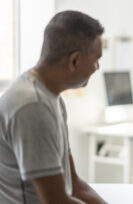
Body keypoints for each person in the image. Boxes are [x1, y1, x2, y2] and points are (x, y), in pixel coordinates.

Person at [0, 10, 107, 204]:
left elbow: (73, 185)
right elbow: (56, 201)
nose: (96, 67)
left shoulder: (54, 99)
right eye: (95, 60)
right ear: (74, 60)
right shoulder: (31, 106)